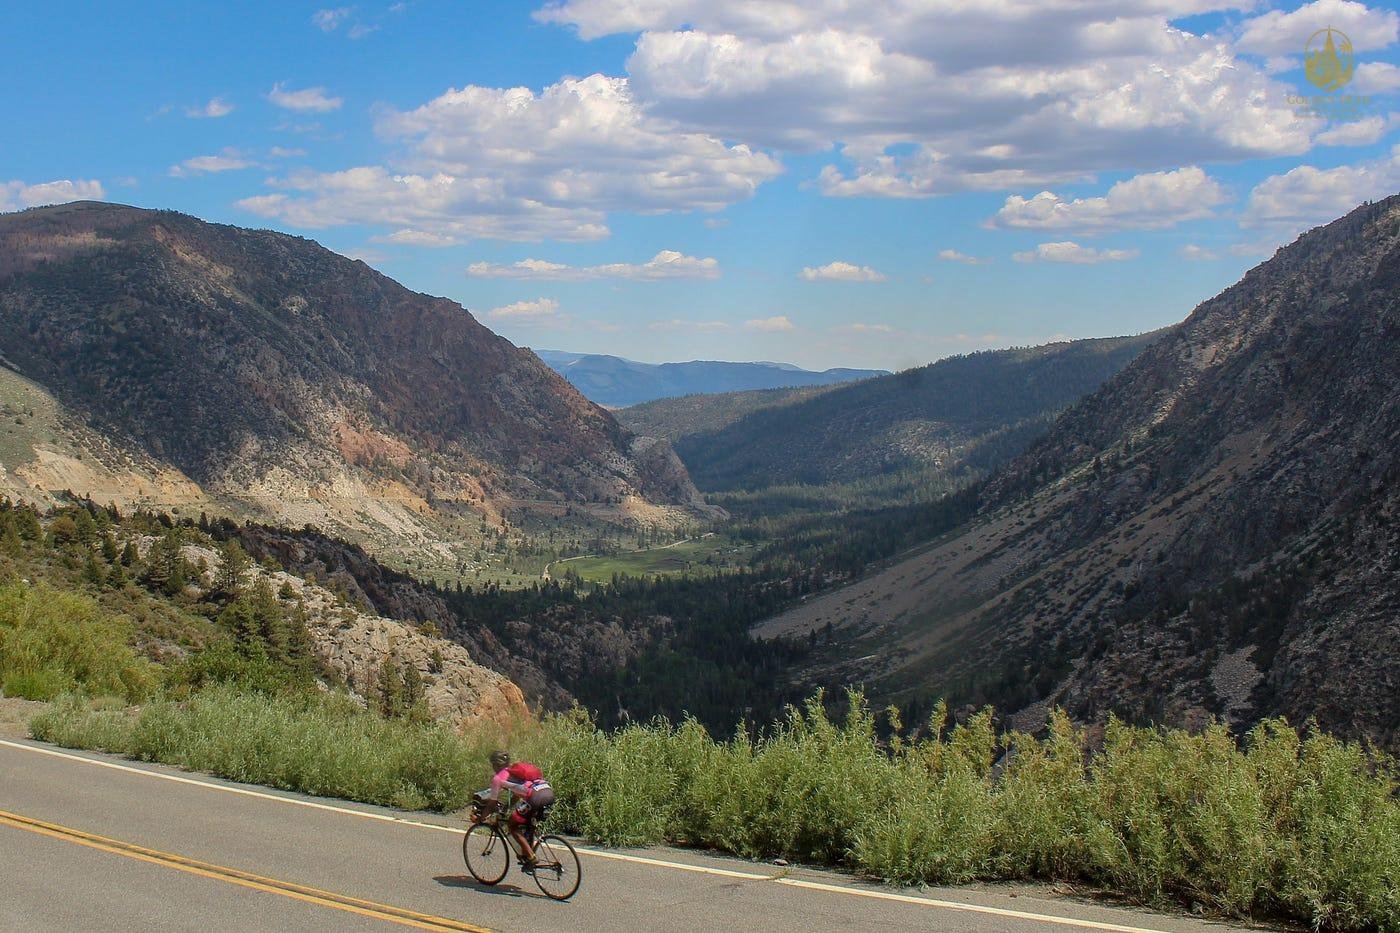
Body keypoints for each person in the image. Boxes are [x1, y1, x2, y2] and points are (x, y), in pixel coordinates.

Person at [480, 750, 554, 871]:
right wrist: (505, 808)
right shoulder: (515, 772)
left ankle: (531, 857)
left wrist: (481, 818)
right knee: (528, 824)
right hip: (547, 792)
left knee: (513, 824)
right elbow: (517, 794)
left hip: (535, 797)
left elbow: (491, 804)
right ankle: (528, 854)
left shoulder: (498, 779)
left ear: (494, 765)